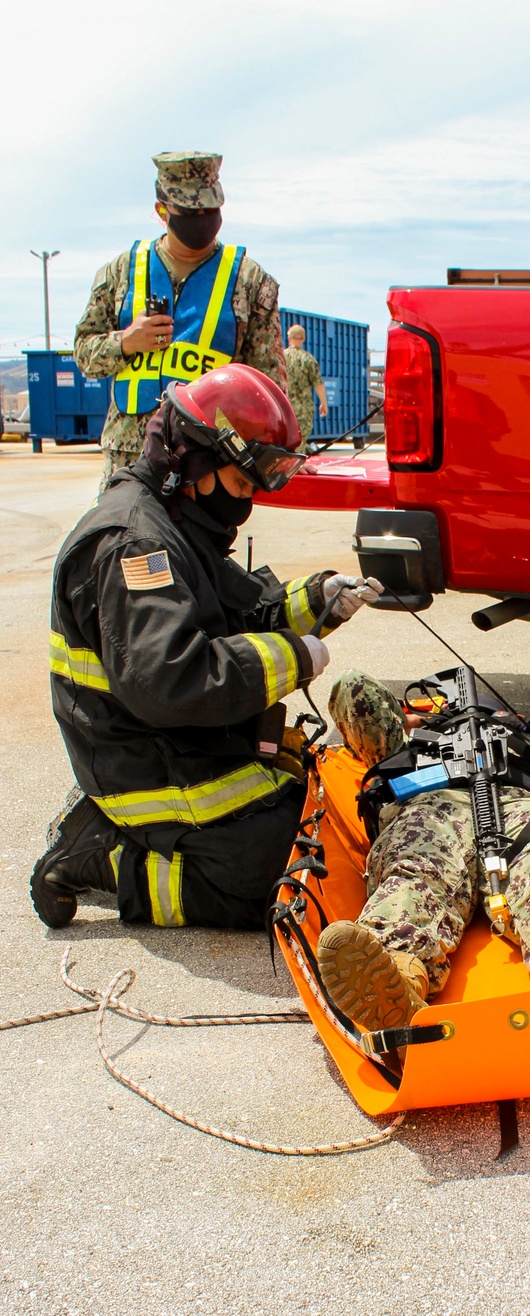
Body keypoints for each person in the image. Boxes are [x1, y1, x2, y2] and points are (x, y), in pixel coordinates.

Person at [31, 363, 383, 932]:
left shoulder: (175, 519)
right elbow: (172, 679)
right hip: (145, 763)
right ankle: (104, 856)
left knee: (326, 817)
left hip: (181, 742)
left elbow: (235, 610)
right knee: (288, 875)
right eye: (242, 484)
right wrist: (294, 658)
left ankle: (132, 840)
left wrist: (319, 600)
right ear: (195, 462)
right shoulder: (135, 545)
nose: (245, 504)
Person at [313, 667, 530, 1043]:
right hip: (433, 809)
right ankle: (394, 983)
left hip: (517, 806)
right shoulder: (408, 742)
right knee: (417, 874)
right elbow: (351, 688)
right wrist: (413, 725)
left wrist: (517, 726)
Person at [74, 151, 287, 490]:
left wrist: (279, 456)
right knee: (125, 541)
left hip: (206, 464)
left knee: (196, 546)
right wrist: (126, 342)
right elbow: (84, 354)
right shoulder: (120, 273)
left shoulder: (249, 282)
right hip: (129, 457)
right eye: (190, 211)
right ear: (162, 210)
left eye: (210, 210)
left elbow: (270, 385)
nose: (202, 218)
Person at [284, 324, 328, 452]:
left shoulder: (280, 357)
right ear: (303, 339)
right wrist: (324, 404)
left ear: (289, 338)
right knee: (299, 444)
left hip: (284, 407)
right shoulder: (308, 359)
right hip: (303, 410)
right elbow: (318, 384)